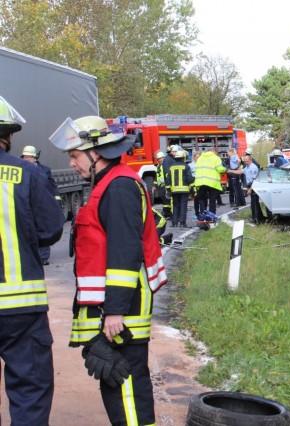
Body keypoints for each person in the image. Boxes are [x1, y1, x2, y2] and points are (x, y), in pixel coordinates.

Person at [49, 114, 167, 426]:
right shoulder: (111, 183)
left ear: (96, 152)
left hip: (122, 312)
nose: (72, 163)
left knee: (126, 389)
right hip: (116, 308)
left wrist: (114, 312)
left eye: (75, 155)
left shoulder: (119, 187)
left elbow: (124, 254)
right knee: (119, 386)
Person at [0, 95, 65, 425]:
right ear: (8, 135)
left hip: (21, 307)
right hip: (21, 306)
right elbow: (51, 229)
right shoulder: (27, 174)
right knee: (30, 390)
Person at [21, 145, 63, 265]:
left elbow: (52, 186)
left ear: (35, 158)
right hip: (28, 205)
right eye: (25, 157)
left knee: (42, 229)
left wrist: (56, 200)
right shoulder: (20, 169)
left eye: (29, 157)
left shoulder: (44, 170)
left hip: (41, 205)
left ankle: (43, 257)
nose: (27, 159)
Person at [228, 154, 264, 224]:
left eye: (247, 161)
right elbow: (240, 171)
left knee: (254, 204)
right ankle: (260, 218)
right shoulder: (247, 167)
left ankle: (256, 220)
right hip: (251, 185)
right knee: (255, 203)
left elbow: (255, 180)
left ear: (250, 160)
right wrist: (231, 171)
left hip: (254, 185)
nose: (246, 162)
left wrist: (250, 189)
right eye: (245, 161)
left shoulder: (253, 167)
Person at [194, 148, 226, 215]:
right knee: (212, 200)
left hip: (201, 182)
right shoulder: (216, 158)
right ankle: (212, 216)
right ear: (214, 152)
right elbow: (220, 169)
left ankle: (203, 214)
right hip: (212, 182)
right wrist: (225, 169)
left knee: (201, 199)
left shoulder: (200, 158)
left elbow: (196, 168)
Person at [167, 149, 193, 227]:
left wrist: (169, 189)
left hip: (174, 190)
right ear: (183, 158)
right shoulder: (186, 166)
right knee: (183, 206)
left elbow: (168, 179)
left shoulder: (171, 167)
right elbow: (189, 179)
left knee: (175, 206)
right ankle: (182, 223)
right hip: (184, 190)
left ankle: (174, 223)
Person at [155, 151, 172, 218]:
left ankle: (168, 212)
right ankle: (166, 211)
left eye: (160, 158)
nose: (159, 160)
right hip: (161, 186)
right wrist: (156, 185)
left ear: (163, 158)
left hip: (165, 185)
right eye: (158, 159)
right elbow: (157, 176)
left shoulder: (165, 165)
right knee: (164, 200)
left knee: (167, 199)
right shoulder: (158, 166)